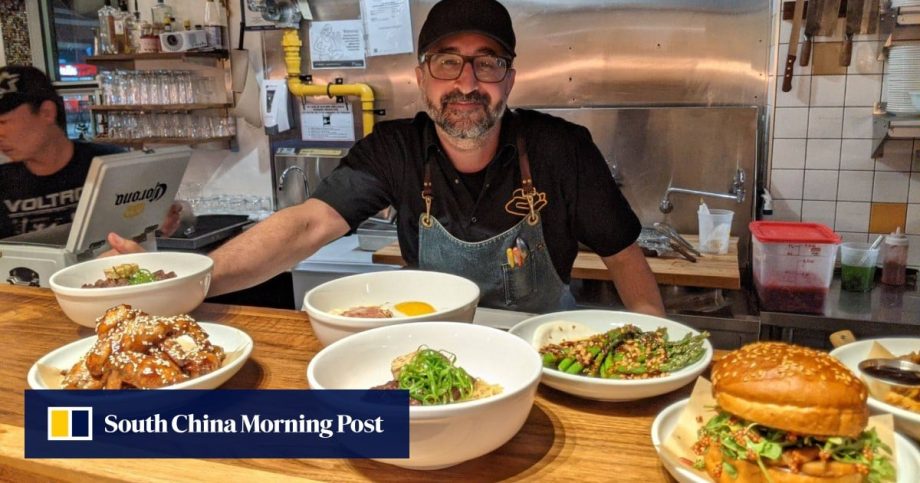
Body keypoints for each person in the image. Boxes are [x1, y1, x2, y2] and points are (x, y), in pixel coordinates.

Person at [109, 0, 665, 315]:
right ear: (422, 78)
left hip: (544, 349)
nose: (467, 83)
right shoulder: (394, 150)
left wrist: (658, 369)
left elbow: (625, 260)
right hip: (432, 351)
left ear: (510, 79)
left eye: (487, 63)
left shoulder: (563, 150)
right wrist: (189, 281)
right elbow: (304, 225)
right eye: (448, 63)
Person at [0, 65, 182, 240]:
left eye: (3, 123)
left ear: (47, 112)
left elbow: (155, 225)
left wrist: (159, 224)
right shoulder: (4, 182)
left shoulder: (112, 164)